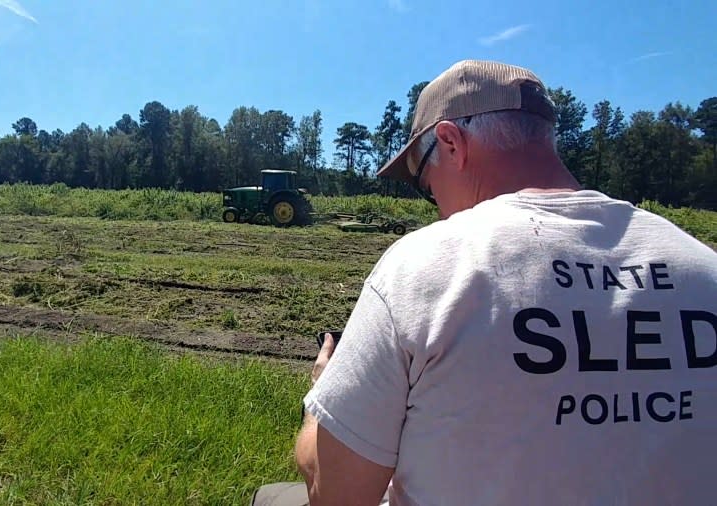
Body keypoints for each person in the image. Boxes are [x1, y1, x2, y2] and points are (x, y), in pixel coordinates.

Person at [252, 60, 717, 505]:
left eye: (423, 179)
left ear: (451, 142)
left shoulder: (424, 268)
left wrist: (321, 401)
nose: (433, 200)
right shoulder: (703, 267)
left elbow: (336, 496)